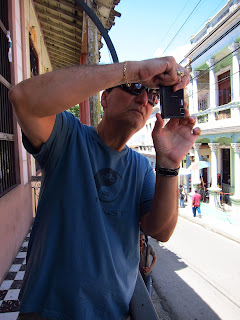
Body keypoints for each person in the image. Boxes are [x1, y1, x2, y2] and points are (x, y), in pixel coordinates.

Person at [9, 57, 201, 320]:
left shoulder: (142, 168)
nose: (143, 100)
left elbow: (161, 230)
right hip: (46, 311)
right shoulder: (68, 136)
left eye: (152, 95)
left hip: (113, 313)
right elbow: (23, 97)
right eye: (133, 87)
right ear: (104, 98)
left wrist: (168, 164)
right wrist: (136, 70)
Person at [139, 231, 157, 296]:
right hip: (137, 275)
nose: (141, 242)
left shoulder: (149, 247)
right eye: (139, 240)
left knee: (148, 293)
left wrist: (150, 268)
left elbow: (154, 257)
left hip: (146, 274)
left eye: (143, 240)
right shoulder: (134, 247)